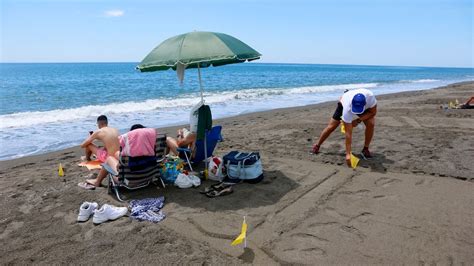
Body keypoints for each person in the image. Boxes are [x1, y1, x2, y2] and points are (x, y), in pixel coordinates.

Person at [311, 88, 377, 167]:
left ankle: (365, 149)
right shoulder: (347, 107)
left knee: (371, 123)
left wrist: (358, 120)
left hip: (360, 105)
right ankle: (317, 145)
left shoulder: (370, 97)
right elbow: (348, 133)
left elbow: (373, 112)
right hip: (344, 103)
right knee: (332, 126)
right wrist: (348, 154)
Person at [79, 115, 120, 189]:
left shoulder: (99, 131)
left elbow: (82, 145)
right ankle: (88, 158)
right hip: (118, 157)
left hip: (109, 159)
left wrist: (89, 137)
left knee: (89, 145)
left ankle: (88, 159)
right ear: (106, 123)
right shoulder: (115, 129)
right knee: (104, 147)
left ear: (99, 124)